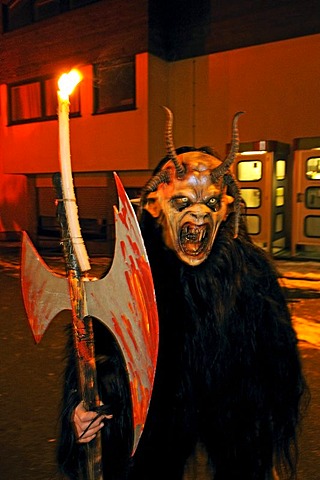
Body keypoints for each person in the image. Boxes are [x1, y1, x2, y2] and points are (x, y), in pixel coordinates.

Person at [57, 109, 308, 479]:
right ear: (155, 207)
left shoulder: (248, 274)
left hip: (232, 409)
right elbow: (97, 359)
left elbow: (277, 364)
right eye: (182, 203)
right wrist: (82, 410)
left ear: (226, 209)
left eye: (210, 203)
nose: (198, 215)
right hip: (156, 418)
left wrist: (262, 425)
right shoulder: (129, 277)